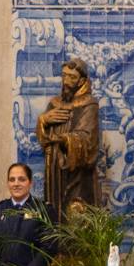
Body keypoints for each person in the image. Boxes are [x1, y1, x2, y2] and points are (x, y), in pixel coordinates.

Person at [35, 59, 100, 217]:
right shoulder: (54, 103)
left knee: (75, 218)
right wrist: (43, 121)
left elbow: (88, 139)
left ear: (82, 80)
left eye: (72, 77)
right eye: (64, 76)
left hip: (77, 173)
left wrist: (63, 139)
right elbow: (43, 139)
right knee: (54, 214)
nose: (66, 81)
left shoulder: (89, 105)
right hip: (54, 168)